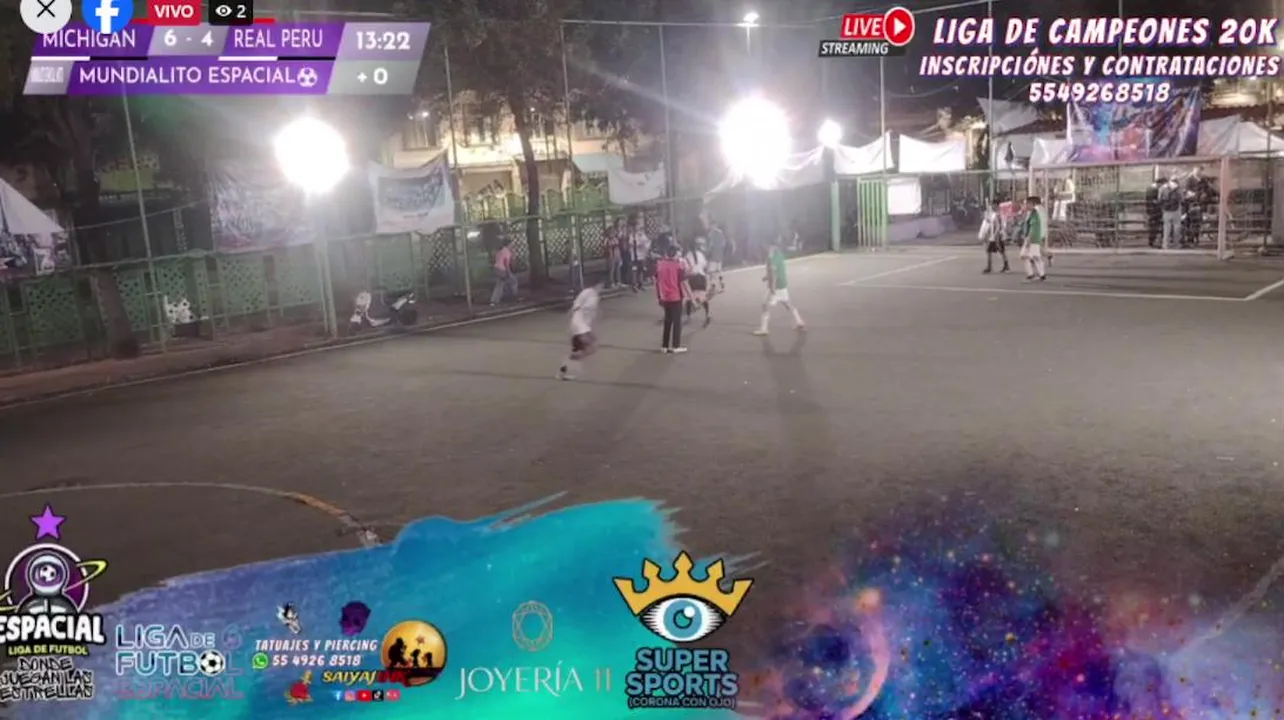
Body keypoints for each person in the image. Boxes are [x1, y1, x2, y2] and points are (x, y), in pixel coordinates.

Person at [753, 239, 804, 336]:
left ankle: (764, 328)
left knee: (765, 305)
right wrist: (766, 277)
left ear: (768, 245)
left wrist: (772, 287)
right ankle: (799, 321)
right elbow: (778, 269)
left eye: (764, 245)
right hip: (782, 284)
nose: (764, 248)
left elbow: (773, 272)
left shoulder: (771, 258)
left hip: (776, 286)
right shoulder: (779, 254)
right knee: (787, 303)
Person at [557, 283, 601, 381]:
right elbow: (576, 306)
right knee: (591, 346)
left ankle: (564, 370)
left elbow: (591, 314)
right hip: (578, 326)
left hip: (583, 326)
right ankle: (568, 367)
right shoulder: (586, 293)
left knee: (581, 350)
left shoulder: (595, 296)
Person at [654, 243, 688, 354]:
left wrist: (659, 296)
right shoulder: (678, 266)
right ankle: (675, 345)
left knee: (667, 321)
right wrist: (689, 296)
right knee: (677, 322)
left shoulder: (660, 264)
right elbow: (682, 282)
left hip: (665, 296)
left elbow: (657, 281)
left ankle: (664, 345)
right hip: (676, 296)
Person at [682, 238, 712, 326]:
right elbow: (705, 265)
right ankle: (707, 314)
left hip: (693, 277)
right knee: (703, 297)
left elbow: (686, 268)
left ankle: (688, 316)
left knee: (689, 297)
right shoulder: (700, 254)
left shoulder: (687, 256)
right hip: (702, 277)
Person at [1019, 196, 1048, 282]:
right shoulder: (1032, 213)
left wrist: (1029, 239)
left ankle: (1032, 275)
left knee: (1025, 255)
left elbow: (1033, 228)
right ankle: (1041, 275)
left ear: (1032, 204)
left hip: (1033, 238)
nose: (1025, 205)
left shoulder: (1034, 213)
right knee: (1034, 257)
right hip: (1034, 238)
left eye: (1027, 203)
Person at [979, 199, 1010, 274]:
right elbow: (990, 223)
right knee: (989, 250)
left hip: (998, 235)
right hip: (992, 235)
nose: (992, 206)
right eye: (991, 204)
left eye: (993, 204)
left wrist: (996, 235)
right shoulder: (992, 214)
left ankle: (1006, 265)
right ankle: (989, 266)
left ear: (996, 205)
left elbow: (999, 226)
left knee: (1001, 250)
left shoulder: (998, 214)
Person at [489, 238, 518, 305]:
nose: (512, 245)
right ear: (508, 244)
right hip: (502, 270)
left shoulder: (500, 250)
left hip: (497, 269)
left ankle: (495, 300)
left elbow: (496, 259)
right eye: (511, 244)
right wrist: (508, 272)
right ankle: (513, 297)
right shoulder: (507, 252)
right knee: (513, 281)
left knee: (501, 284)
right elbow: (506, 263)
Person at [705, 219, 730, 293]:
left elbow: (710, 245)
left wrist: (707, 251)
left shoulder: (711, 234)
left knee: (711, 271)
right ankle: (722, 285)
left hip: (713, 255)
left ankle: (713, 285)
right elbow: (724, 243)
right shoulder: (720, 233)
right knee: (719, 271)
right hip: (719, 255)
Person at [1158, 176, 1183, 249]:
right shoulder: (1178, 188)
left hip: (1166, 210)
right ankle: (1176, 244)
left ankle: (1165, 244)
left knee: (1166, 228)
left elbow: (1159, 199)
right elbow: (1182, 199)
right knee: (1177, 227)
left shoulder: (1163, 187)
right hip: (1176, 210)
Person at [628, 216, 651, 292]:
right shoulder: (631, 235)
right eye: (635, 226)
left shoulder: (641, 234)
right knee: (634, 270)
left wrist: (644, 246)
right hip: (634, 256)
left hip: (641, 255)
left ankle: (641, 284)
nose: (636, 228)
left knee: (641, 270)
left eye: (637, 226)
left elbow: (647, 242)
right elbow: (631, 243)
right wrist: (638, 244)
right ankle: (634, 285)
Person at [605, 218, 624, 288]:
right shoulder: (607, 240)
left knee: (618, 269)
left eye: (614, 233)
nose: (613, 234)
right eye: (612, 233)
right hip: (611, 257)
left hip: (617, 255)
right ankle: (611, 282)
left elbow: (618, 247)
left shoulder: (616, 239)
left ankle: (618, 282)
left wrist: (620, 257)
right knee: (612, 270)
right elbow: (606, 248)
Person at [1145, 178, 1163, 248]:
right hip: (1154, 211)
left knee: (1153, 227)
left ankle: (1152, 241)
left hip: (1151, 211)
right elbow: (1155, 200)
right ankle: (1152, 241)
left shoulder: (1149, 189)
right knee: (1154, 227)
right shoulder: (1154, 190)